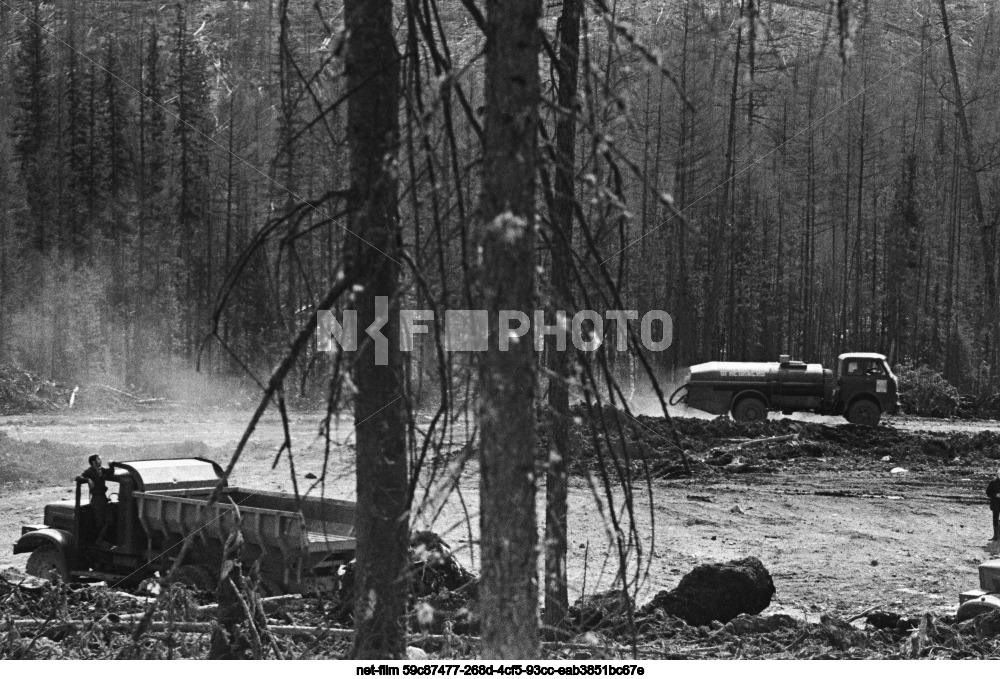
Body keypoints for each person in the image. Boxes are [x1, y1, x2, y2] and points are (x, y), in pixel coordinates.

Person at [80, 454, 114, 547]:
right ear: (93, 462)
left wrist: (111, 464)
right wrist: (87, 480)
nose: (101, 460)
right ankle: (99, 541)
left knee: (109, 520)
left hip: (103, 498)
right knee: (99, 521)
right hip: (96, 499)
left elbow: (111, 472)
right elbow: (78, 478)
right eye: (99, 459)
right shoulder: (89, 471)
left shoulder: (101, 470)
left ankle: (101, 539)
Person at [987, 470, 1000, 541]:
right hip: (995, 504)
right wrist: (995, 494)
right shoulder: (993, 483)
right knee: (995, 519)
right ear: (997, 474)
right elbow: (988, 492)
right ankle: (996, 536)